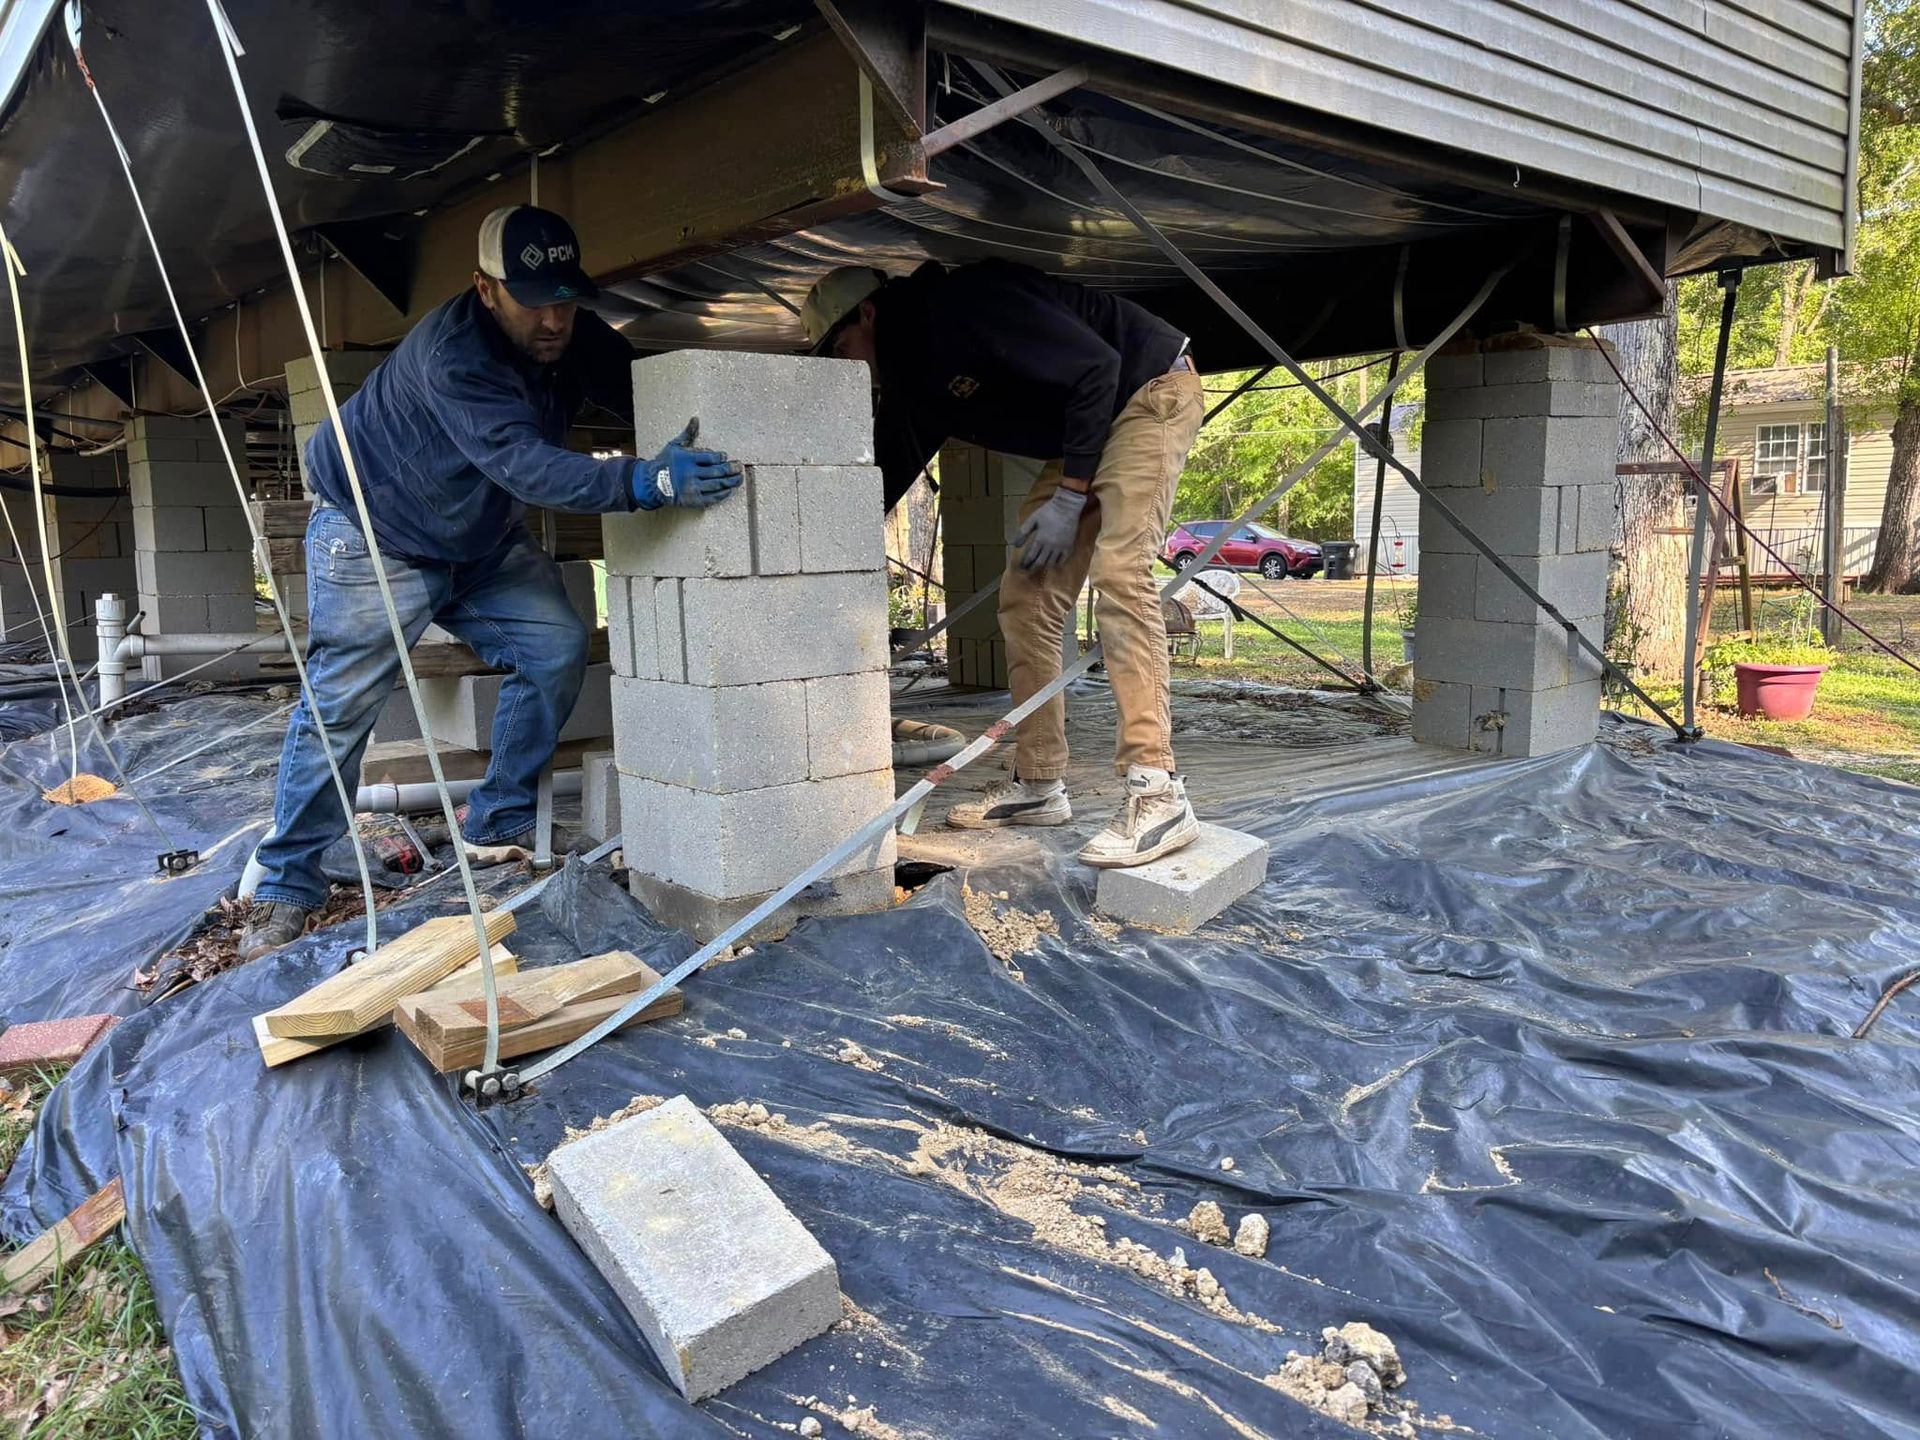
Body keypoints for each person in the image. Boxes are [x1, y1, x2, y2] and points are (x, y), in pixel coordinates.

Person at [241, 206, 742, 961]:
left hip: (474, 538)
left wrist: (694, 426)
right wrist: (648, 481)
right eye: (532, 300)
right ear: (484, 289)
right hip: (377, 533)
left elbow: (642, 389)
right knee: (341, 708)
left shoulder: (569, 336)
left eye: (566, 299)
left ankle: (497, 817)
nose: (552, 319)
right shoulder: (455, 356)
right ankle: (287, 884)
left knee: (556, 645)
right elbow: (525, 466)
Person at [802, 259, 1205, 869]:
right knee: (1028, 597)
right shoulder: (915, 375)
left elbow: (1099, 367)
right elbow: (887, 467)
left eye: (841, 346)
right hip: (1091, 429)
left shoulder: (967, 300)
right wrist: (818, 548)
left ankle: (1158, 791)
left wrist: (1071, 496)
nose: (843, 363)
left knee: (1121, 573)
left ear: (868, 313)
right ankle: (1040, 785)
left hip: (1147, 391)